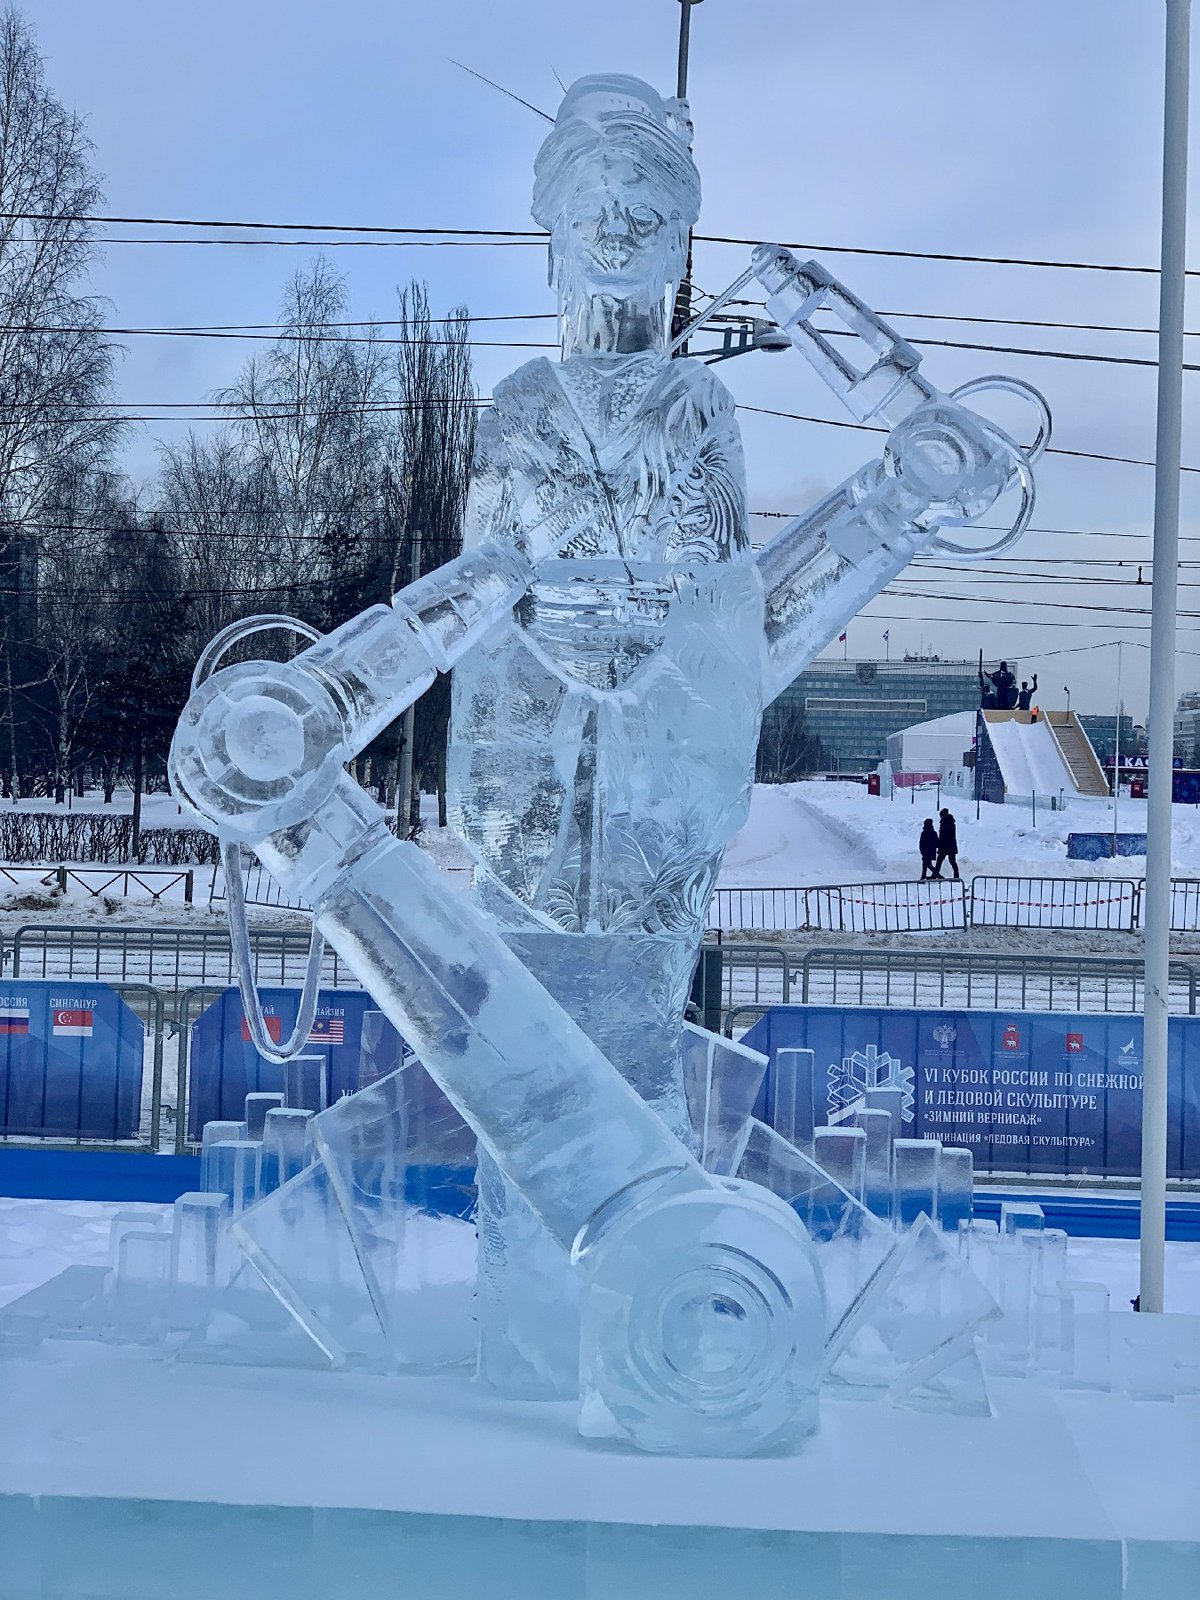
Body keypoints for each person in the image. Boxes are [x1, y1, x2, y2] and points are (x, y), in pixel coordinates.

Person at [934, 807, 960, 879]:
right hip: (951, 845)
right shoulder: (951, 822)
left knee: (940, 861)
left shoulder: (945, 823)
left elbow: (943, 836)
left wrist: (939, 843)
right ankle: (956, 876)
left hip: (945, 845)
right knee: (952, 861)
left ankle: (935, 874)